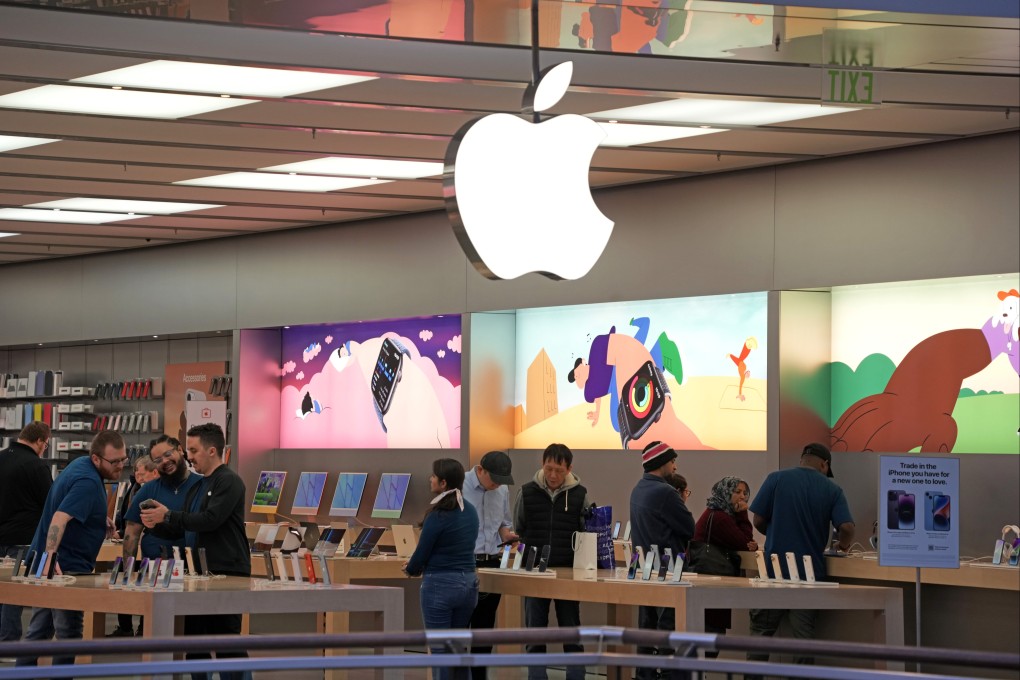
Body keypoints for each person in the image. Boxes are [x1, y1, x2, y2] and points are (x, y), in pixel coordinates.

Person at [140, 423, 249, 680]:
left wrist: (168, 514)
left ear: (212, 450)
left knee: (226, 643)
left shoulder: (229, 481)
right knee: (194, 641)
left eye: (194, 449)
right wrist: (157, 525)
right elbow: (186, 529)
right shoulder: (199, 486)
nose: (189, 456)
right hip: (199, 574)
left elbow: (211, 519)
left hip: (227, 572)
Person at [16, 430, 126, 670]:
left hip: (51, 564)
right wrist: (51, 557)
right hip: (64, 568)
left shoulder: (80, 465)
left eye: (123, 459)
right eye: (114, 461)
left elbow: (67, 503)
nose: (120, 466)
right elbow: (59, 518)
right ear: (96, 459)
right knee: (68, 634)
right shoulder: (88, 482)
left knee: (39, 632)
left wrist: (97, 518)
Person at [748, 442, 854, 667]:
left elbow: (757, 519)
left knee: (760, 634)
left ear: (802, 460)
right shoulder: (831, 489)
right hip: (808, 575)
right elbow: (846, 527)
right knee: (803, 639)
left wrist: (776, 533)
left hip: (773, 571)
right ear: (824, 465)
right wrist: (843, 547)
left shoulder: (775, 479)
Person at [111, 435, 203, 638]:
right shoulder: (149, 490)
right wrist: (127, 572)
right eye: (158, 459)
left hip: (192, 570)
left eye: (168, 454)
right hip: (153, 569)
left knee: (190, 633)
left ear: (180, 450)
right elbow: (132, 532)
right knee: (153, 628)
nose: (165, 462)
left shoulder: (202, 486)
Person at [513, 443, 590, 680]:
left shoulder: (580, 494)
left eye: (558, 470)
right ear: (542, 466)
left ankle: (575, 676)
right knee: (534, 633)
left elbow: (585, 530)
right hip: (534, 569)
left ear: (569, 469)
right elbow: (519, 526)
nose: (553, 475)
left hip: (568, 570)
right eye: (548, 469)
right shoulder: (526, 492)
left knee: (571, 631)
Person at [403, 458, 479, 680]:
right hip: (468, 584)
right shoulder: (471, 511)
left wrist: (410, 568)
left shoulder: (437, 516)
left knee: (439, 651)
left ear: (443, 483)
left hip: (440, 586)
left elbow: (422, 553)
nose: (430, 479)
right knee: (457, 648)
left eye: (434, 476)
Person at [629, 440, 695, 680]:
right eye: (672, 460)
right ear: (661, 463)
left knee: (647, 631)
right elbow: (689, 528)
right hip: (670, 573)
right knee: (669, 634)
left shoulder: (638, 489)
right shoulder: (665, 492)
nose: (675, 467)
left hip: (647, 572)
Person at [462, 450, 518, 680]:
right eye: (493, 479)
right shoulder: (460, 485)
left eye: (502, 481)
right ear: (480, 470)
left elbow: (504, 522)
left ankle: (479, 676)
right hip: (464, 563)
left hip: (492, 562)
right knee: (459, 626)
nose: (497, 485)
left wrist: (508, 535)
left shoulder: (502, 490)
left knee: (484, 628)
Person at [692, 476, 759, 655]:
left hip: (710, 582)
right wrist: (743, 514)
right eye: (737, 492)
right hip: (710, 583)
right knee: (711, 637)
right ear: (725, 492)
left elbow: (743, 541)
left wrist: (748, 542)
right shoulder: (720, 517)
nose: (742, 497)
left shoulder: (720, 513)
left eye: (745, 493)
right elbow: (743, 542)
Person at [0, 422, 53, 643]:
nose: (45, 449)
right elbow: (51, 503)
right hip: (22, 538)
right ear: (40, 441)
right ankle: (9, 643)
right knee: (14, 592)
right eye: (46, 444)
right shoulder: (36, 466)